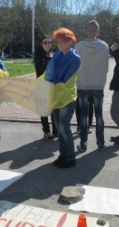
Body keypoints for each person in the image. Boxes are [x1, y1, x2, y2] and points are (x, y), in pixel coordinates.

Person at [45, 28, 81, 168]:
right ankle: (62, 154)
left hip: (66, 97)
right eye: (58, 41)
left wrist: (53, 84)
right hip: (55, 96)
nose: (59, 43)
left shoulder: (75, 59)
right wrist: (49, 83)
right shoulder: (57, 55)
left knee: (64, 127)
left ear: (70, 42)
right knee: (59, 129)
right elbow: (50, 72)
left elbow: (68, 81)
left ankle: (70, 157)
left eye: (62, 41)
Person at [74, 20, 109, 152]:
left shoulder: (79, 46)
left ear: (86, 30)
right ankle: (100, 143)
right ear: (97, 31)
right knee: (99, 115)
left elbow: (75, 66)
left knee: (83, 116)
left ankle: (83, 144)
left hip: (82, 84)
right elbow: (106, 67)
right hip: (98, 85)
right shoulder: (104, 46)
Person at [33, 35, 57, 140]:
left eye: (49, 42)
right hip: (42, 86)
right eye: (45, 42)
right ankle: (46, 130)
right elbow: (44, 69)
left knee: (54, 109)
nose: (47, 44)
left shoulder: (53, 54)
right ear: (41, 44)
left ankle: (56, 129)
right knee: (44, 109)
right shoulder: (39, 55)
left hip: (53, 86)